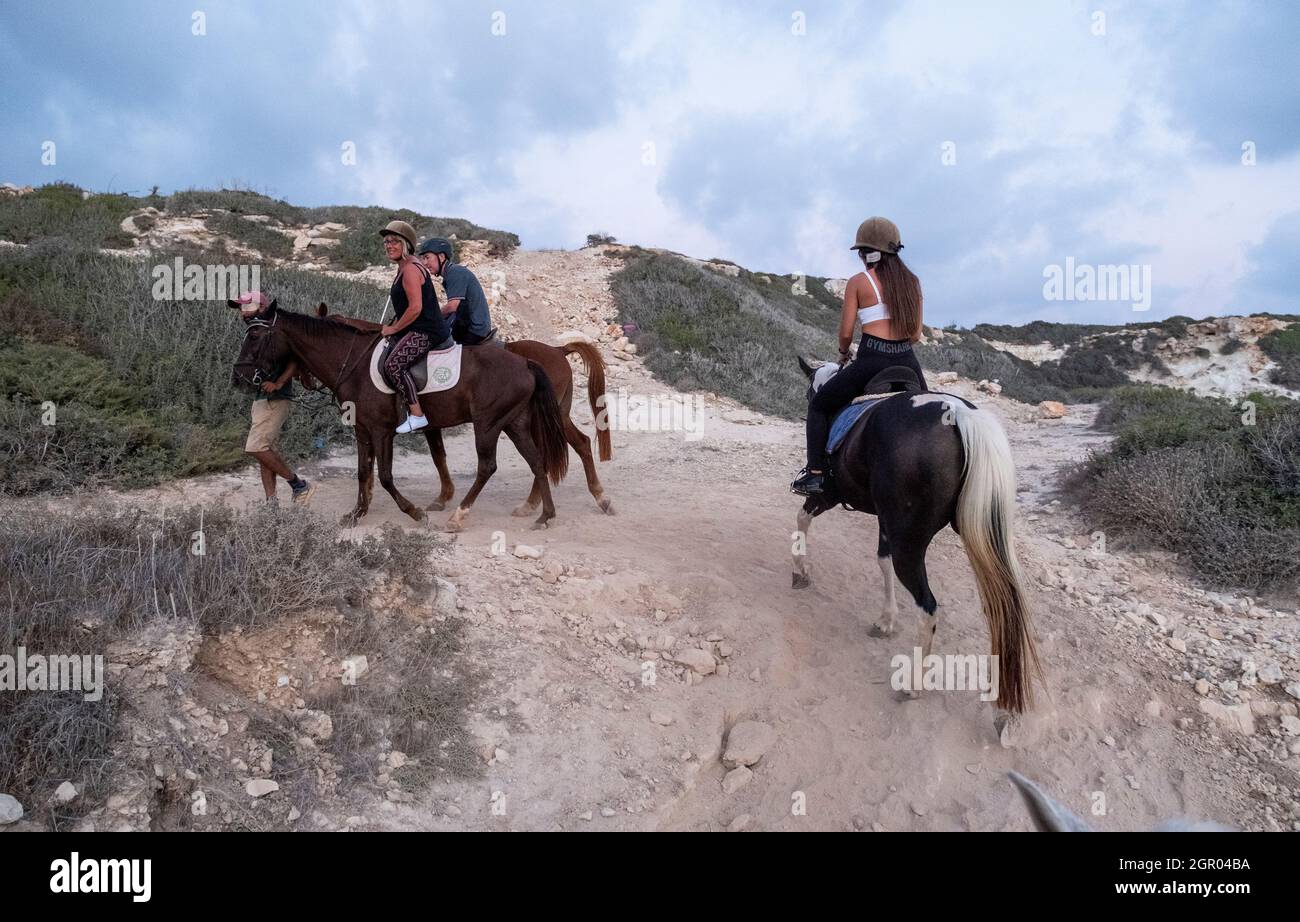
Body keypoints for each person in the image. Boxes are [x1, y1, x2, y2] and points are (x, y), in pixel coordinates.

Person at [790, 217, 928, 496]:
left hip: (872, 360)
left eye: (862, 253)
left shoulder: (858, 282)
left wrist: (843, 353)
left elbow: (845, 334)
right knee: (927, 412)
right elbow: (914, 335)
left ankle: (815, 475)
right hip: (908, 362)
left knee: (819, 404)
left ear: (868, 253)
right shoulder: (912, 282)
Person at [234, 291, 315, 504]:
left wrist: (279, 383)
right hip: (261, 398)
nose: (243, 313)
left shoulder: (276, 331)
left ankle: (298, 484)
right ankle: (271, 502)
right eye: (241, 309)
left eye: (247, 307)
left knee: (256, 447)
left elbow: (295, 359)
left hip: (275, 397)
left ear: (262, 307)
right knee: (265, 451)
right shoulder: (259, 332)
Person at [379, 220, 454, 434]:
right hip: (417, 328)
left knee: (394, 365)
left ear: (406, 244)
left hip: (427, 331)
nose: (389, 245)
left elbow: (415, 308)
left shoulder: (411, 269)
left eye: (394, 241)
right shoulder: (404, 267)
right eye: (386, 241)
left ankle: (417, 415)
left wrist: (393, 330)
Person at [415, 237, 495, 345]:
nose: (424, 262)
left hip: (474, 329)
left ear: (441, 257)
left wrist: (432, 317)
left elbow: (452, 306)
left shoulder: (455, 272)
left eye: (427, 257)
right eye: (423, 258)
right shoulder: (451, 273)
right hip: (470, 325)